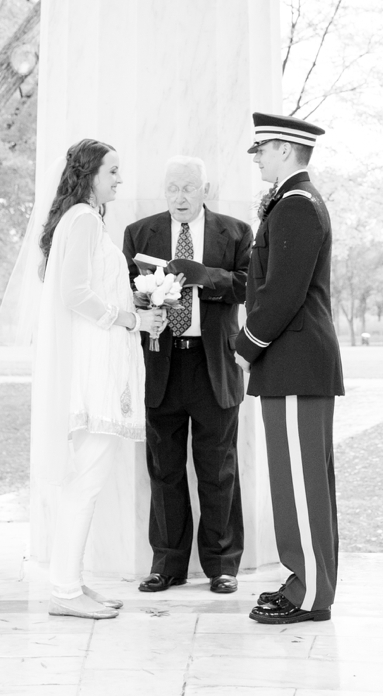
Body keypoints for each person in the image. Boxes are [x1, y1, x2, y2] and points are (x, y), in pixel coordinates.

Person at [31, 139, 154, 619]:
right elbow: (73, 293)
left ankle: (72, 582)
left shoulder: (87, 220)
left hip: (99, 357)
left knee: (87, 480)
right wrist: (127, 319)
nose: (120, 179)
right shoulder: (82, 219)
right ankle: (64, 592)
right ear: (90, 174)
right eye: (114, 171)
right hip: (92, 364)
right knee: (86, 481)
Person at [121, 155, 252, 595]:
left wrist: (205, 277)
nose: (180, 196)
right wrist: (144, 306)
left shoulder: (235, 233)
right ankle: (168, 564)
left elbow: (249, 286)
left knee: (218, 470)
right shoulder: (140, 233)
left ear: (205, 190)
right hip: (162, 364)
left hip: (213, 365)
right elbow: (124, 294)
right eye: (173, 187)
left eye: (189, 188)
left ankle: (222, 565)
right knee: (164, 470)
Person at [234, 112, 341, 624]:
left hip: (294, 360)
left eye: (261, 149)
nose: (256, 158)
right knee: (297, 481)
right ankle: (305, 580)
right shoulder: (292, 202)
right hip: (293, 362)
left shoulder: (296, 205)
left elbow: (282, 293)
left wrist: (246, 345)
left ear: (283, 149)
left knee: (299, 483)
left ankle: (312, 592)